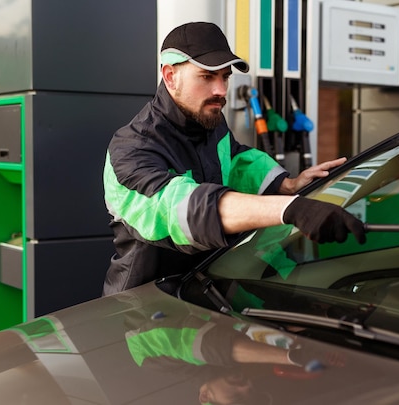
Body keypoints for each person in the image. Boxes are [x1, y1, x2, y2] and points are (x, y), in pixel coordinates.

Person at [102, 21, 366, 295]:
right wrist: (290, 208)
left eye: (225, 77)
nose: (221, 90)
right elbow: (182, 208)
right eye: (207, 77)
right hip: (139, 309)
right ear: (170, 76)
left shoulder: (210, 122)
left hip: (205, 294)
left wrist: (288, 185)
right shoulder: (131, 148)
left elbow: (236, 160)